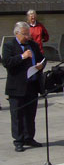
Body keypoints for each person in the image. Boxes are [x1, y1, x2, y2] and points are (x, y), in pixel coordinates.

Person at [2, 22, 45, 152]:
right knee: (17, 115)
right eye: (25, 34)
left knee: (30, 114)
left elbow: (43, 59)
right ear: (17, 34)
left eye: (28, 34)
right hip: (17, 86)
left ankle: (29, 137)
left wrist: (40, 65)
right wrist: (22, 56)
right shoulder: (9, 45)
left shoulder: (33, 45)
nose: (27, 37)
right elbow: (7, 62)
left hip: (32, 85)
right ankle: (18, 140)